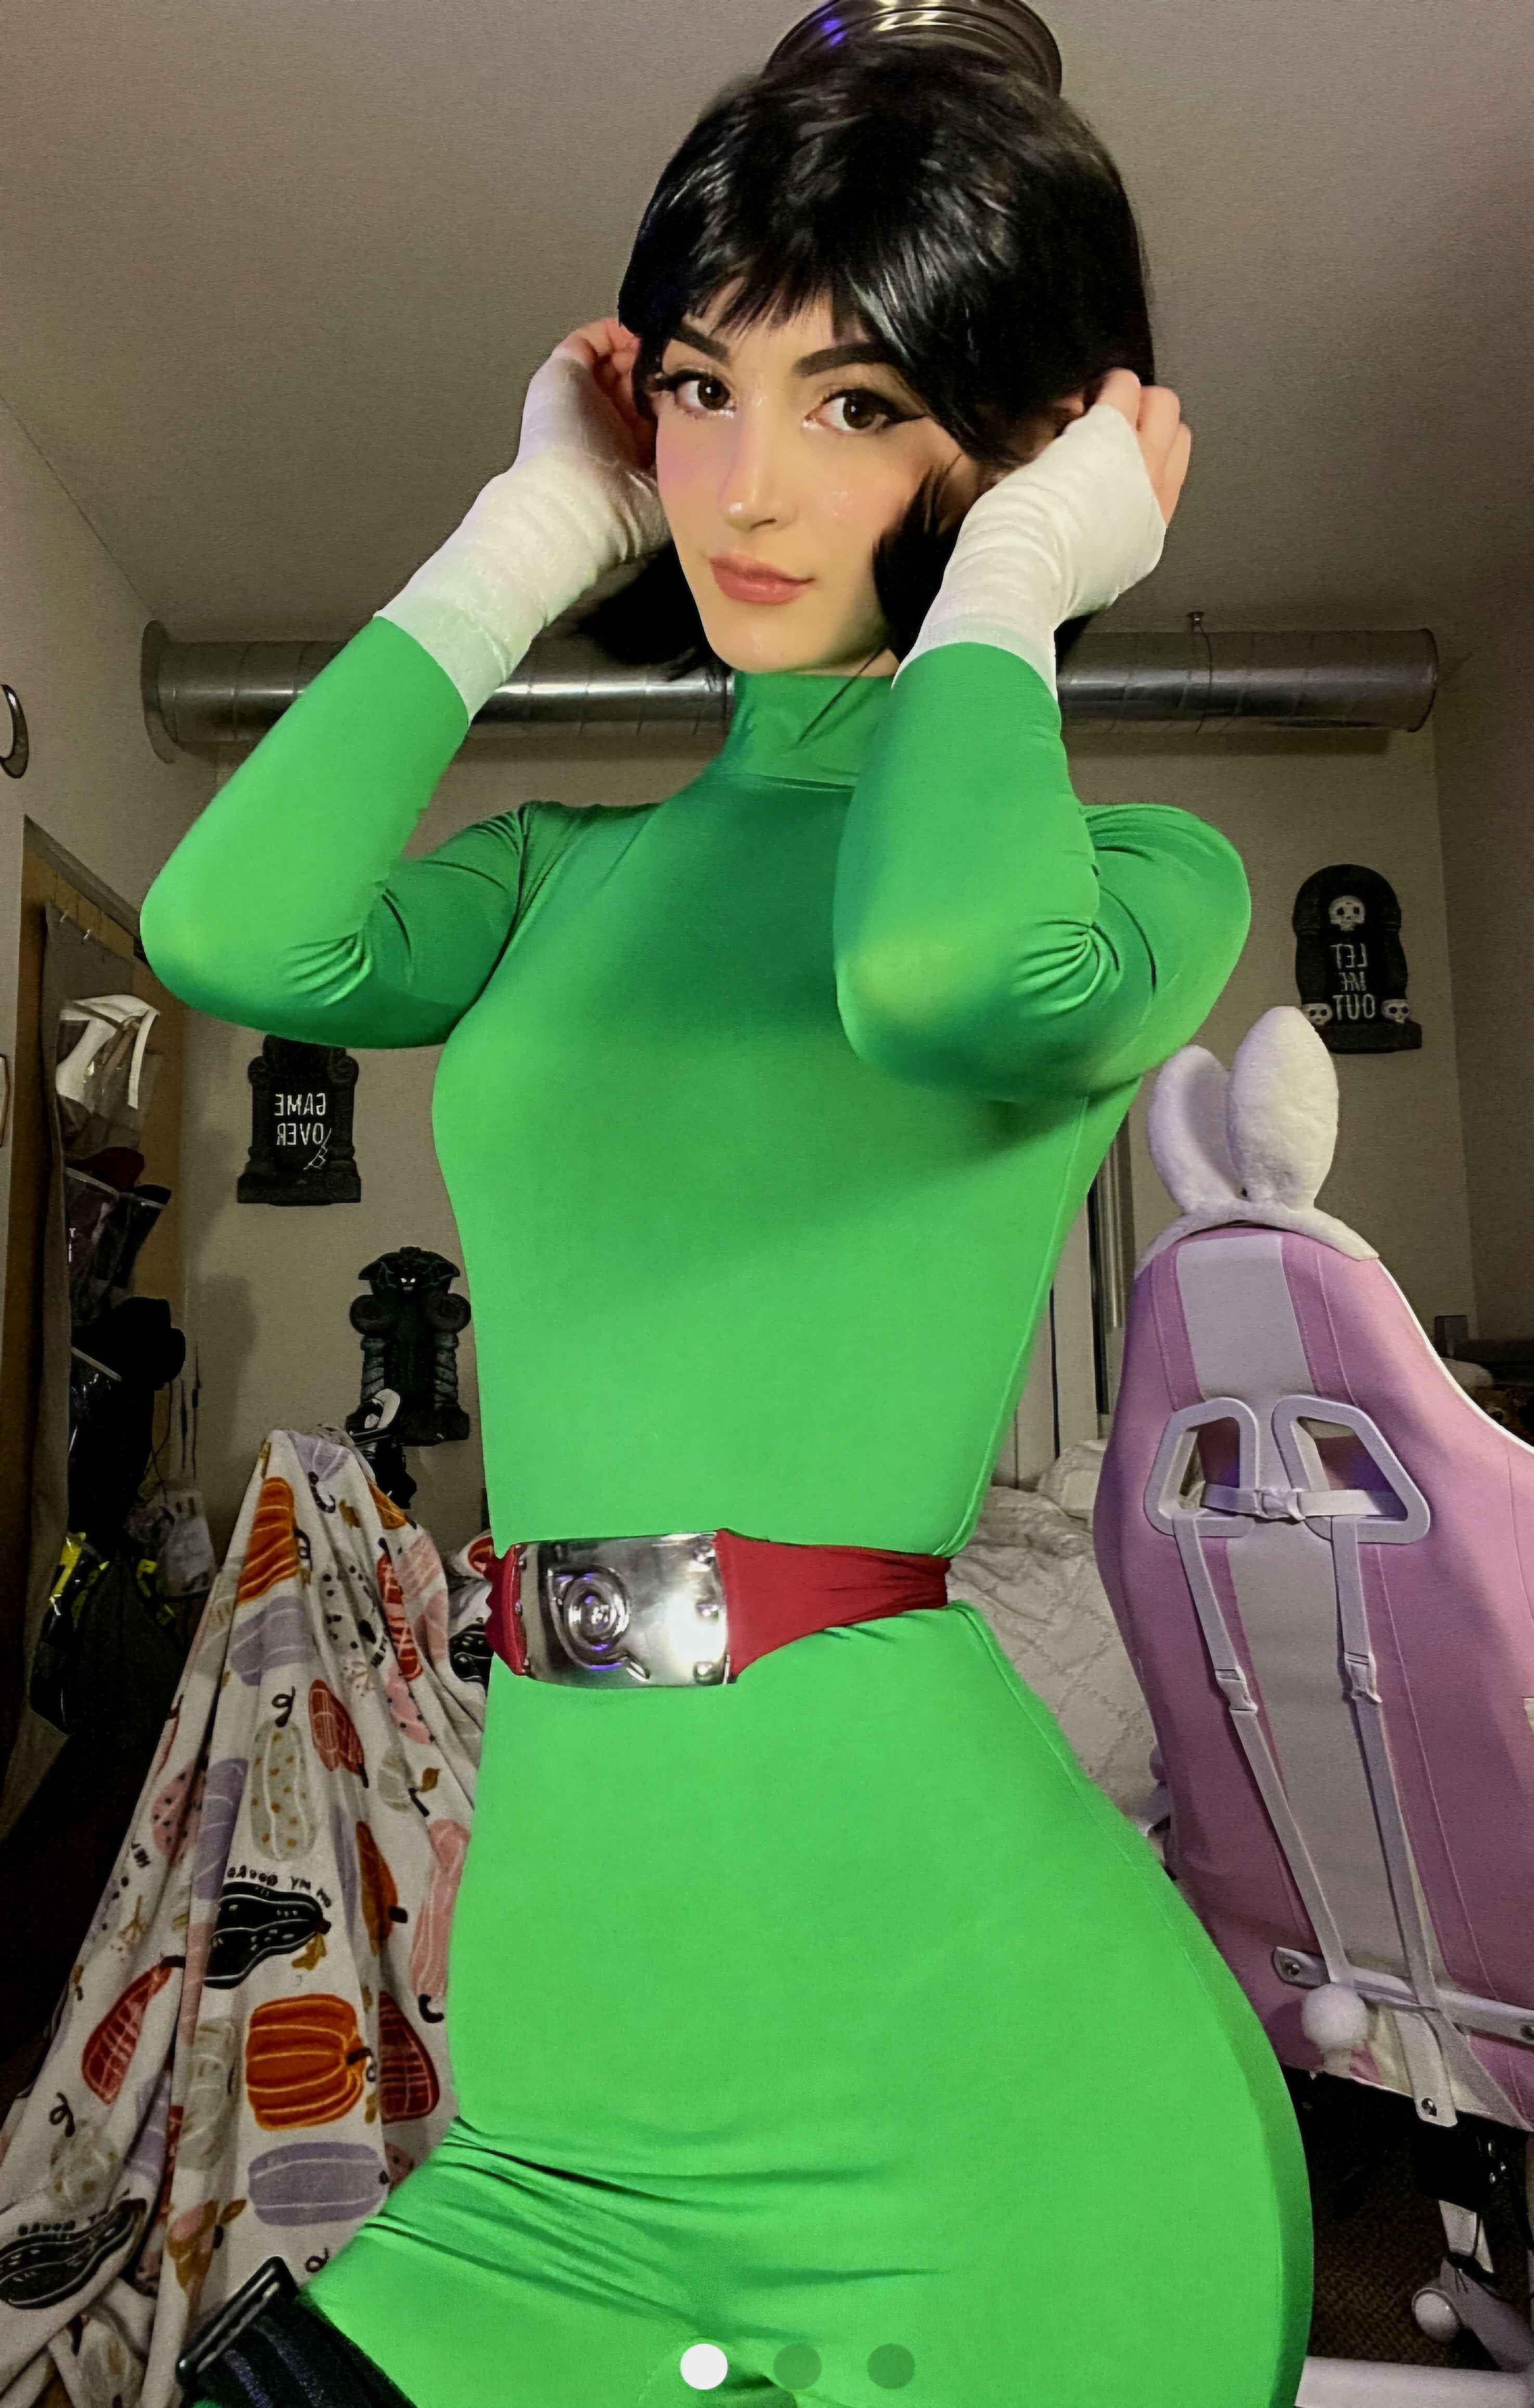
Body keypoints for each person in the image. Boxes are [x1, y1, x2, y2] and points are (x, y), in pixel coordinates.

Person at [143, 34, 1312, 2408]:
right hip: (574, 2081)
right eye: (699, 387)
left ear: (1015, 450)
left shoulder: (1129, 879)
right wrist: (525, 530)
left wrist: (1012, 579)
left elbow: (932, 975)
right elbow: (223, 929)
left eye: (856, 401)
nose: (745, 484)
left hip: (987, 2101)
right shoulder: (562, 881)